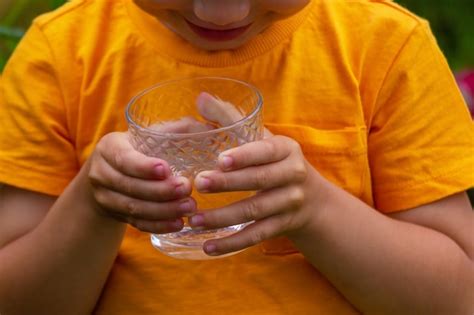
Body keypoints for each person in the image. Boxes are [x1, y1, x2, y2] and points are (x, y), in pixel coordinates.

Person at [0, 0, 473, 314]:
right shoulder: (62, 54)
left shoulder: (384, 46)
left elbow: (458, 297)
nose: (222, 12)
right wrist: (91, 205)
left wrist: (316, 209)